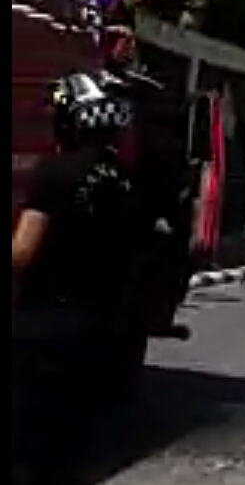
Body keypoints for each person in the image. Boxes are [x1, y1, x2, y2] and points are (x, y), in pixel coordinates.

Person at [12, 75, 141, 485]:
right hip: (97, 327)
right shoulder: (124, 182)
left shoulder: (54, 173)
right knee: (72, 448)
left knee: (27, 446)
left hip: (41, 327)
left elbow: (22, 252)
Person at [82, 0, 148, 75]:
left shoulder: (130, 21)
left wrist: (131, 58)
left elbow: (123, 53)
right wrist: (115, 29)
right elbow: (87, 25)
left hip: (100, 69)